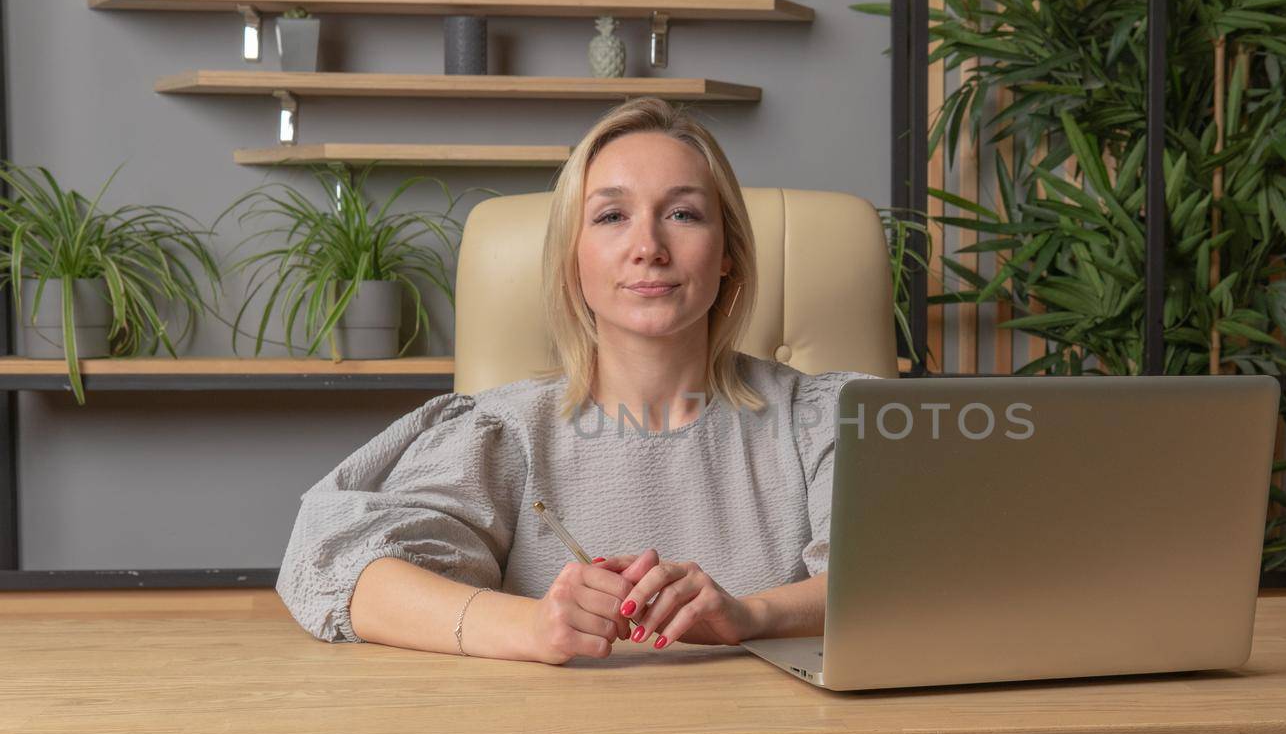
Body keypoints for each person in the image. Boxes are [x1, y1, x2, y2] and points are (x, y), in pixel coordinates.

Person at [274, 97, 877, 664]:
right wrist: (531, 626)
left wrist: (750, 615)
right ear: (573, 261)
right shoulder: (501, 432)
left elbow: (907, 577)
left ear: (728, 255)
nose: (648, 246)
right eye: (612, 216)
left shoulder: (826, 418)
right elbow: (334, 563)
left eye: (683, 214)